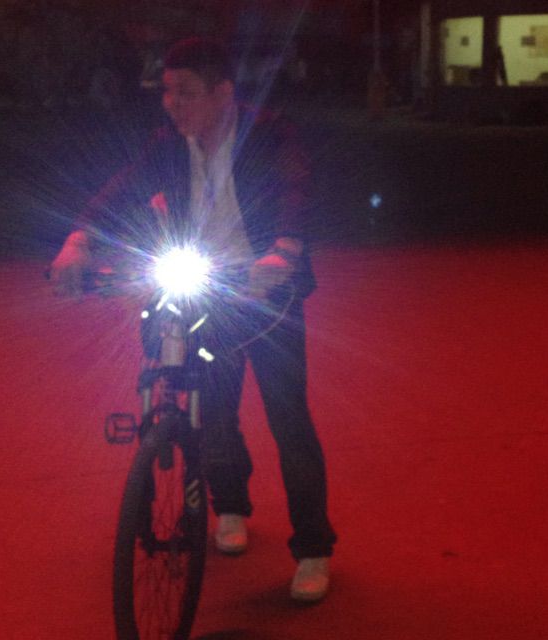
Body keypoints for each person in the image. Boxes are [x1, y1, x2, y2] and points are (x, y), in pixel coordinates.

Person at [50, 37, 336, 602]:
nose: (172, 104)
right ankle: (229, 505)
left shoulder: (268, 135)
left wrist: (284, 250)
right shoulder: (169, 144)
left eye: (185, 92)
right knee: (215, 408)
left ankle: (313, 547)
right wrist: (78, 240)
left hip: (267, 291)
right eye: (166, 92)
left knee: (288, 419)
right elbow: (123, 189)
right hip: (209, 290)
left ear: (223, 93)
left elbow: (295, 190)